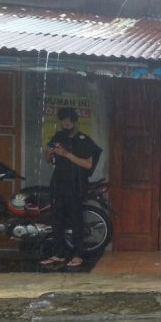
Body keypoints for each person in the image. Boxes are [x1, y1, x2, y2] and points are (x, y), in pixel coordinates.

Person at [40, 107, 102, 268]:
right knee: (57, 218)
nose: (66, 128)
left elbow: (88, 164)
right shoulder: (58, 137)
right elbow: (48, 159)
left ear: (75, 122)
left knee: (76, 220)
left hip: (76, 185)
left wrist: (67, 154)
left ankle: (77, 254)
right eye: (63, 125)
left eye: (68, 125)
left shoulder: (84, 141)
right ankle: (59, 253)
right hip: (58, 183)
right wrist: (48, 151)